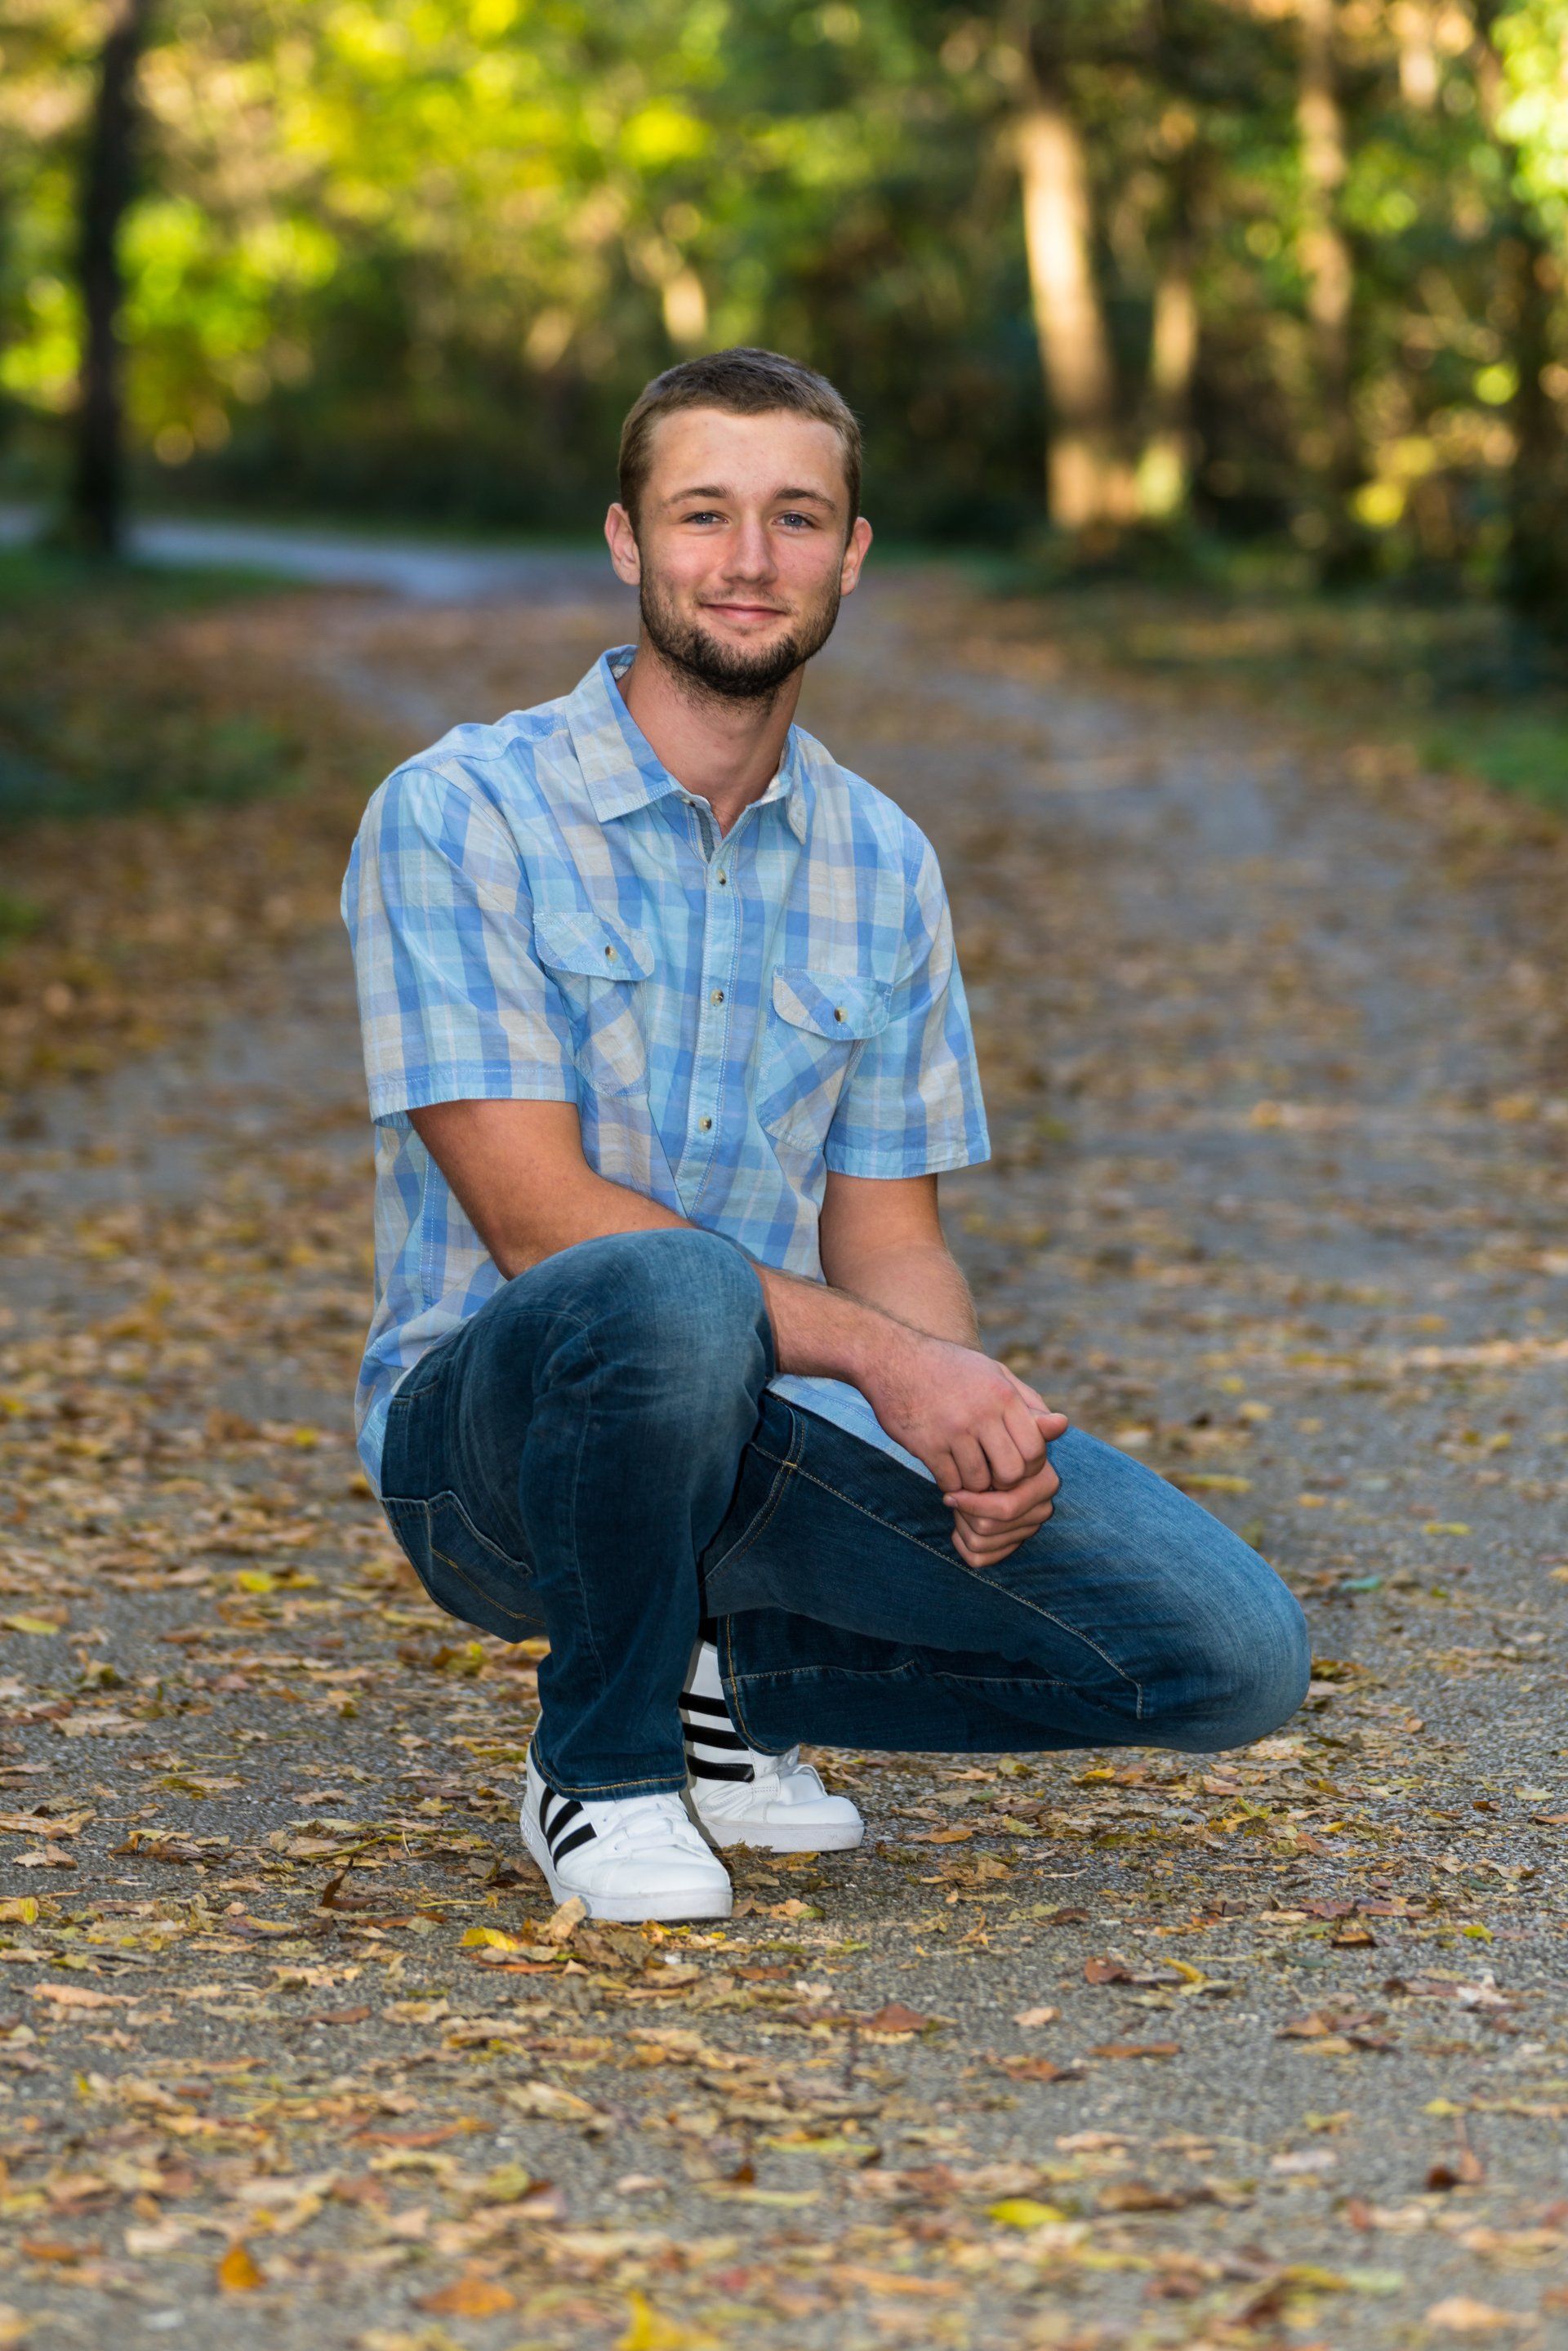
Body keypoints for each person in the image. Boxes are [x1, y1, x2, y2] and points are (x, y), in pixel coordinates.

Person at [341, 346, 1310, 1923]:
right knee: (670, 1285)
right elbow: (534, 1218)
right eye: (702, 513)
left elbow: (889, 1238)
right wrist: (887, 1362)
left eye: (794, 518)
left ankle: (730, 1688)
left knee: (1229, 1655)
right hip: (495, 1454)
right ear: (627, 539)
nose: (747, 559)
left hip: (773, 1439)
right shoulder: (460, 814)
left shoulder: (883, 859)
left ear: (850, 555)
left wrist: (957, 1422)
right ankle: (604, 1764)